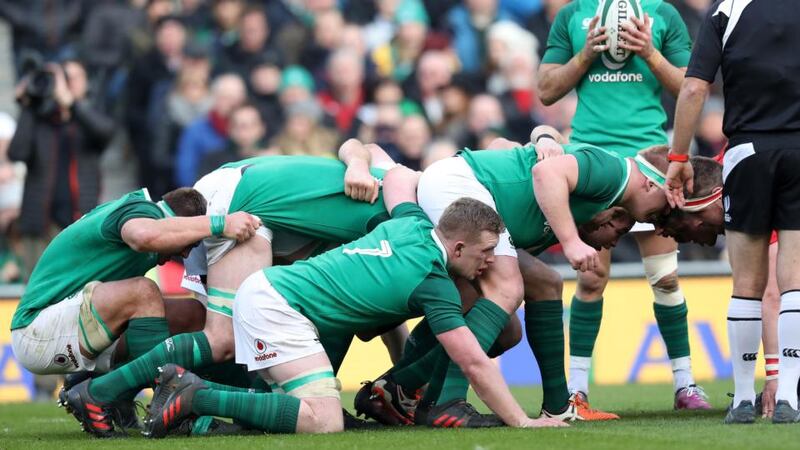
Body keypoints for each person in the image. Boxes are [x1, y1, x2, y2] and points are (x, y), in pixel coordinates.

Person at [141, 177, 569, 436]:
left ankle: (190, 402)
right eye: (488, 250)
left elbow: (399, 178)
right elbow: (474, 363)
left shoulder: (412, 222)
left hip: (274, 292)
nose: (492, 261)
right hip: (279, 304)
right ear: (458, 245)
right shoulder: (434, 282)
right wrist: (523, 422)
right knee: (325, 420)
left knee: (285, 410)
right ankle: (195, 394)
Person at [351, 130, 673, 424]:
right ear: (613, 212)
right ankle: (438, 399)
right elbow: (534, 163)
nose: (615, 241)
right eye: (621, 228)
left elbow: (504, 146)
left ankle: (556, 406)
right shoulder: (611, 174)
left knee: (517, 317)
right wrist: (572, 241)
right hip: (456, 185)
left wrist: (543, 136)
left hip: (459, 192)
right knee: (507, 286)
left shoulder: (573, 198)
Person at [536, 0, 708, 412]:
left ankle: (685, 385)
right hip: (590, 161)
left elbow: (690, 85)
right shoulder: (573, 14)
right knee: (592, 280)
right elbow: (545, 90)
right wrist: (586, 53)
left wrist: (649, 52)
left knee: (665, 278)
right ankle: (577, 390)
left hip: (649, 160)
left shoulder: (663, 14)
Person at [666, 0, 800, 424]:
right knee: (795, 280)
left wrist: (679, 155)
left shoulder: (726, 9)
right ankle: (791, 398)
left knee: (746, 283)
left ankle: (743, 398)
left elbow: (693, 88)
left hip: (746, 153)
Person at [11, 185, 258, 410]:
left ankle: (111, 395)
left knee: (193, 314)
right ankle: (162, 404)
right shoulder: (138, 210)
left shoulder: (139, 213)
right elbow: (142, 236)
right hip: (36, 330)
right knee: (144, 292)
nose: (184, 253)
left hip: (69, 324)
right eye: (189, 243)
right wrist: (220, 224)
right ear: (174, 222)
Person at [10, 59, 114, 280]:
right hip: (41, 224)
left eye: (73, 77)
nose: (66, 82)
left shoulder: (89, 118)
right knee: (37, 292)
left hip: (80, 222)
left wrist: (72, 104)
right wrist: (30, 103)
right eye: (63, 77)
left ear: (87, 83)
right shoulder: (40, 119)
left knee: (78, 289)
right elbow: (16, 153)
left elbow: (105, 133)